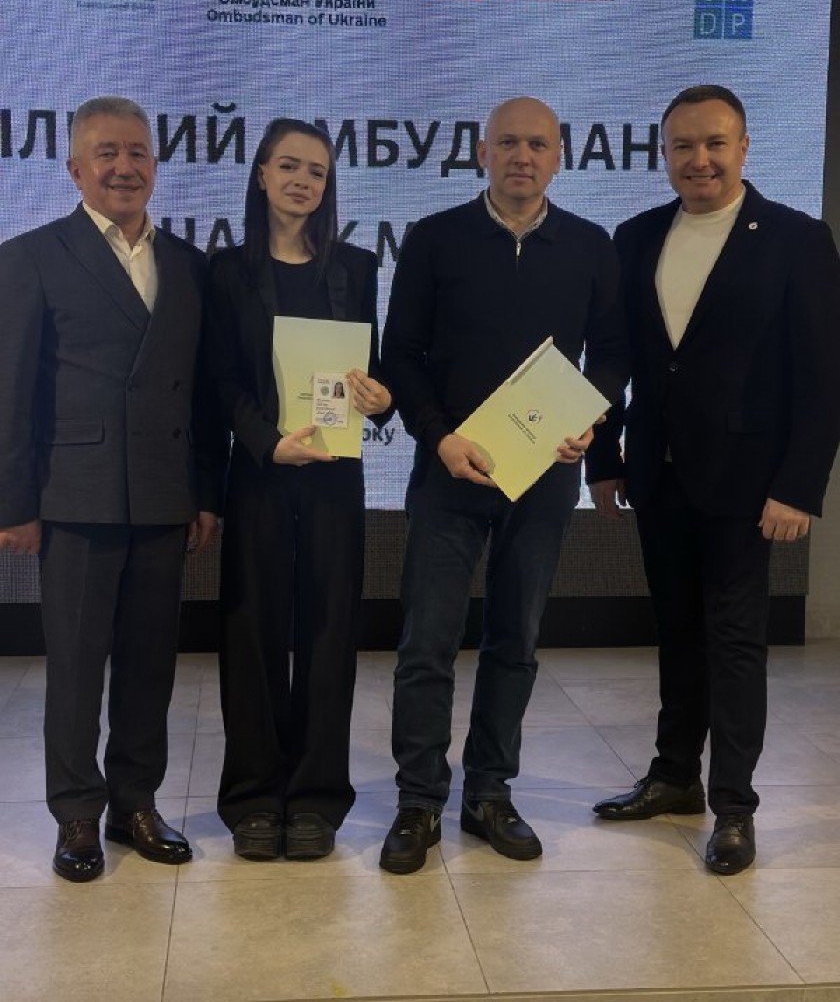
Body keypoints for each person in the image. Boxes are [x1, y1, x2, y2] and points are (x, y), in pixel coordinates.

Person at [587, 84, 840, 875]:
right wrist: (603, 456)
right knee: (678, 632)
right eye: (683, 146)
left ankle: (734, 806)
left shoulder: (797, 239)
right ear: (664, 154)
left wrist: (799, 485)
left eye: (715, 143)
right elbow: (617, 358)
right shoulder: (635, 236)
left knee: (734, 643)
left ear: (743, 148)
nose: (699, 159)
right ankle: (674, 777)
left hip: (748, 482)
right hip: (657, 475)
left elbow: (823, 375)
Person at [378, 96, 628, 873]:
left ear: (560, 156)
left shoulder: (590, 246)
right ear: (482, 151)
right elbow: (401, 354)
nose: (523, 156)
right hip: (450, 471)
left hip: (545, 476)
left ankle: (489, 792)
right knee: (426, 643)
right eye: (509, 142)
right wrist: (438, 435)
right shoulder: (435, 238)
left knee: (515, 641)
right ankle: (419, 800)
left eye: (538, 144)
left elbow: (613, 354)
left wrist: (589, 416)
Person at [0, 96, 224, 882]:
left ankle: (135, 803)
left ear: (155, 166)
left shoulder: (190, 265)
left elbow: (204, 396)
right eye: (107, 153)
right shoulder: (30, 256)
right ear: (75, 168)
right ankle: (76, 815)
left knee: (148, 664)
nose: (124, 167)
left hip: (163, 498)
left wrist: (205, 492)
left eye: (137, 153)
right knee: (74, 667)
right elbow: (12, 393)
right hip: (75, 497)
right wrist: (15, 505)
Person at [205, 118, 392, 861]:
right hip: (258, 472)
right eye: (288, 166)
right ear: (260, 175)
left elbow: (375, 373)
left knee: (329, 633)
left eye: (316, 171)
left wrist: (382, 399)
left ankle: (316, 798)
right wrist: (266, 441)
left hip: (335, 477)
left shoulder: (356, 268)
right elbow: (221, 379)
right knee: (251, 633)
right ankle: (253, 798)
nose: (302, 181)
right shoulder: (225, 271)